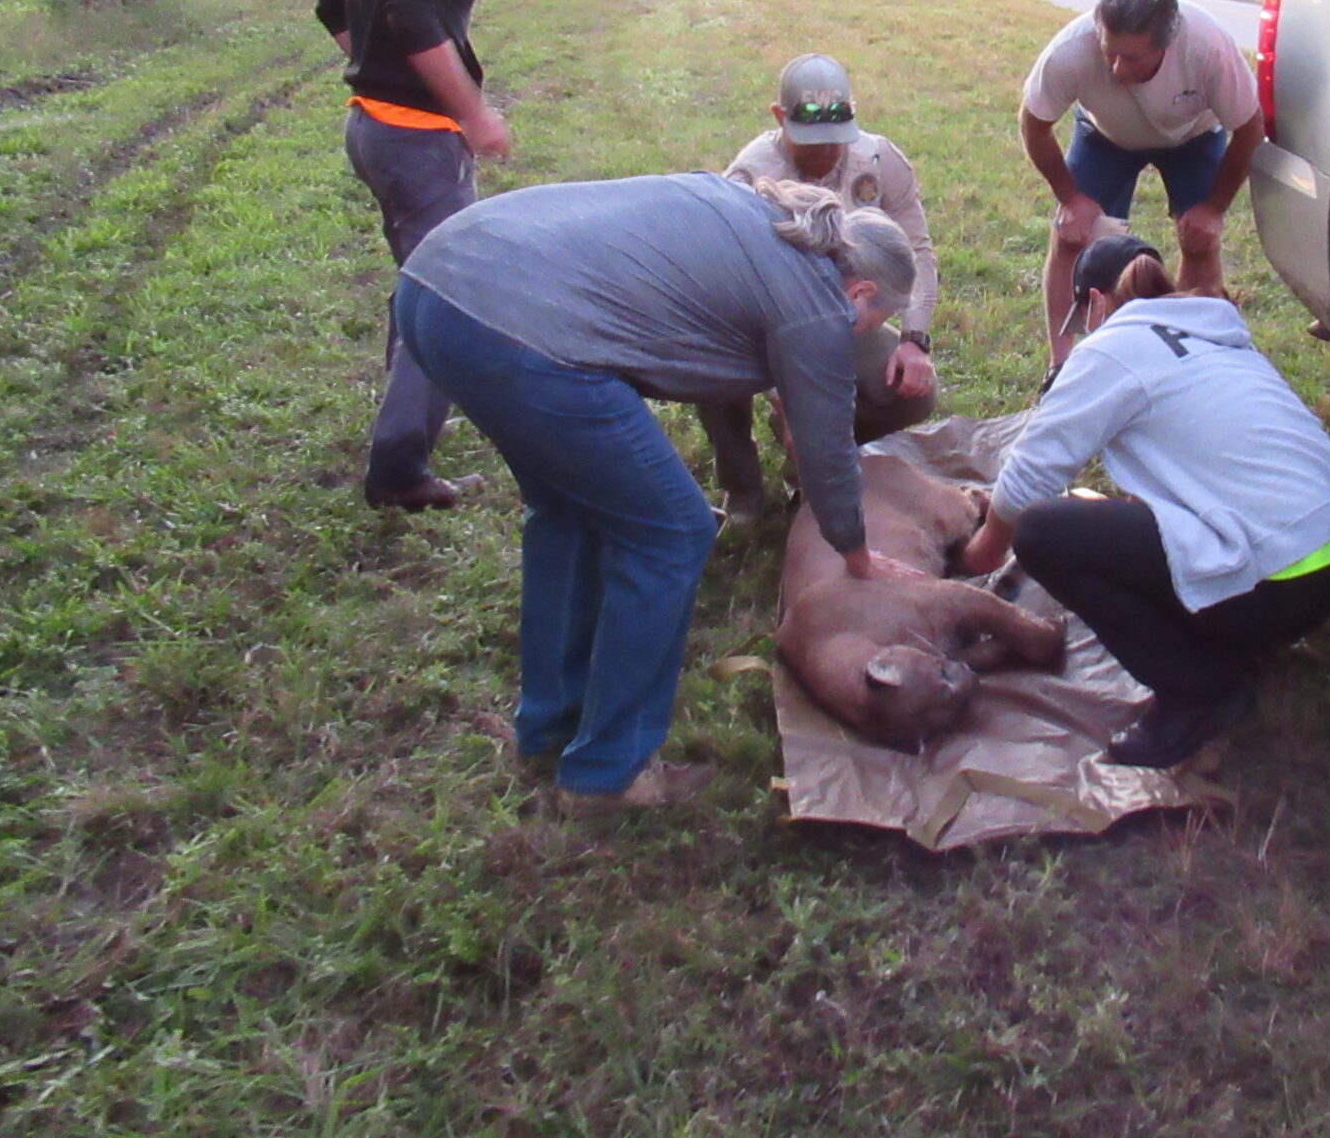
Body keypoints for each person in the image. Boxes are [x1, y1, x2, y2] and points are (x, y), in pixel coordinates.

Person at [393, 171, 929, 815]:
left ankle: (551, 726)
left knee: (568, 513)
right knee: (672, 532)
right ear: (860, 290)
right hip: (520, 329)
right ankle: (607, 774)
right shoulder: (818, 300)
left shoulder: (759, 209)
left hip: (438, 285)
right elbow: (826, 451)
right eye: (873, 323)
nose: (864, 335)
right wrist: (858, 555)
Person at [958, 233, 1330, 769]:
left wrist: (981, 554)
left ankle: (1198, 692)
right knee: (1130, 531)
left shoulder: (1113, 346)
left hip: (1283, 579)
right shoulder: (1214, 336)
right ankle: (1238, 638)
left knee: (1043, 533)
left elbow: (1028, 477)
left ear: (1096, 303)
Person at [316, 0, 515, 512]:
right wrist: (471, 113)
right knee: (448, 295)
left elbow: (334, 7)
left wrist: (375, 67)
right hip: (415, 137)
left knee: (420, 280)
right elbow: (413, 19)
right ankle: (400, 470)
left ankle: (412, 417)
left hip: (370, 126)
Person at [697, 52, 940, 524]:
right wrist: (784, 394)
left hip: (847, 315)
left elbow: (919, 252)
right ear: (777, 118)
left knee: (910, 392)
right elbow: (731, 292)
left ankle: (824, 462)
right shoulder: (749, 179)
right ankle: (742, 488)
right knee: (712, 377)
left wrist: (914, 339)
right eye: (813, 141)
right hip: (755, 324)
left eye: (837, 140)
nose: (829, 153)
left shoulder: (878, 159)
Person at [1018, 0, 1262, 377]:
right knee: (1070, 234)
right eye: (1107, 51)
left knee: (1200, 239)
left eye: (1131, 58)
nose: (1115, 69)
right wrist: (1070, 199)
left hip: (1193, 136)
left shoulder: (1207, 46)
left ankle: (1191, 364)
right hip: (1104, 135)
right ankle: (1061, 366)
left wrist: (1214, 208)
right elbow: (1033, 123)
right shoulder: (1071, 49)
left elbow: (1251, 128)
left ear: (1167, 44)